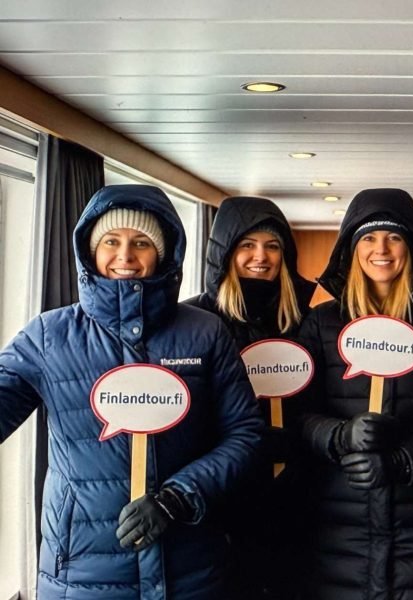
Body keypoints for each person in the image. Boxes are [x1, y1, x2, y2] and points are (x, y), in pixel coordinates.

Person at [0, 184, 263, 599]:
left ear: (164, 252)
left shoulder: (204, 332)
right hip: (81, 573)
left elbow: (246, 433)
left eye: (141, 242)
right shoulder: (49, 335)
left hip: (190, 567)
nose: (125, 255)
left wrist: (179, 497)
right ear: (90, 251)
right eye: (111, 241)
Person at [294, 188, 413, 599]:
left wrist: (404, 459)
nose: (381, 249)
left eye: (394, 237)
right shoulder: (321, 323)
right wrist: (340, 436)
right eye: (368, 238)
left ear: (411, 247)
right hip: (338, 523)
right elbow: (298, 413)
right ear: (352, 249)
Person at [184, 195, 316, 599]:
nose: (261, 256)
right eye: (247, 245)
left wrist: (301, 438)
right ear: (224, 252)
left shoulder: (307, 322)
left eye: (273, 246)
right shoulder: (193, 322)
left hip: (297, 500)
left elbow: (326, 401)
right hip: (220, 505)